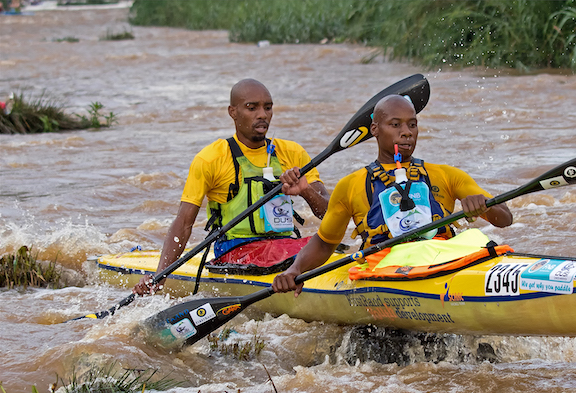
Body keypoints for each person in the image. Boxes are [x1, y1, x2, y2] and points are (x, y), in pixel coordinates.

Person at [272, 94, 512, 295]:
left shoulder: (447, 175)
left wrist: (484, 205)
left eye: (412, 125)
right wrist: (295, 270)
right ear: (375, 130)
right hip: (386, 268)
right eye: (395, 125)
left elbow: (505, 219)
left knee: (477, 238)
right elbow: (325, 242)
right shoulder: (352, 184)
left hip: (441, 261)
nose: (406, 132)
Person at [133, 79, 329, 295]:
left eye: (268, 107)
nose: (262, 114)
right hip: (235, 251)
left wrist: (305, 191)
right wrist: (160, 276)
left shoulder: (292, 153)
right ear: (232, 112)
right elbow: (184, 223)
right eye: (252, 108)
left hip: (286, 247)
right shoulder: (211, 158)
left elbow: (328, 213)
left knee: (326, 244)